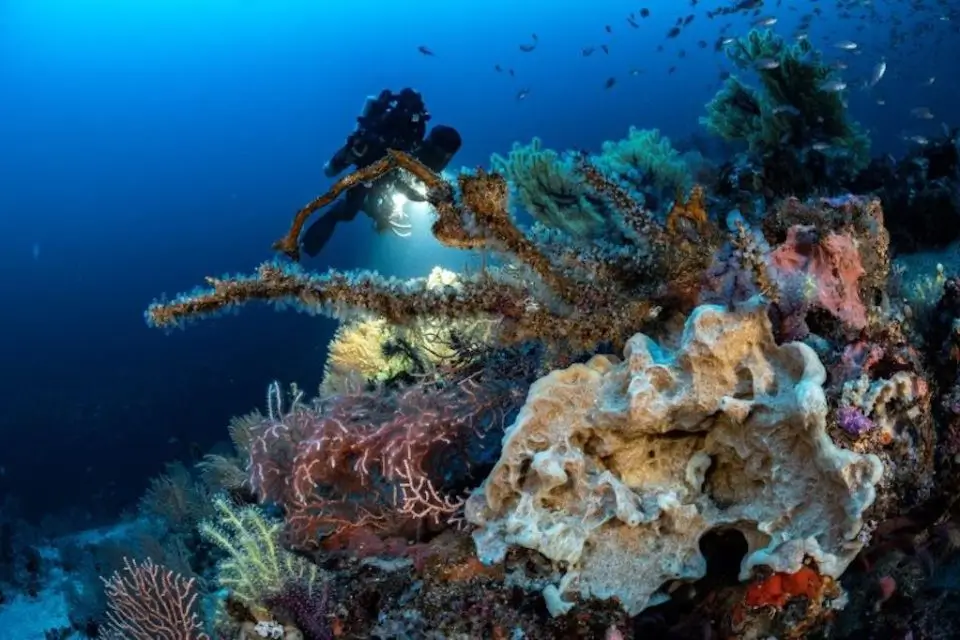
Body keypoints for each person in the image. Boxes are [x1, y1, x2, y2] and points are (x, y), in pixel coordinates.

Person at [301, 89, 463, 258]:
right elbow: (394, 178)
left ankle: (315, 240)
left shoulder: (415, 140)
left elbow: (403, 181)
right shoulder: (402, 142)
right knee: (350, 211)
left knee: (369, 209)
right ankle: (308, 244)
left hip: (387, 173)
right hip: (371, 169)